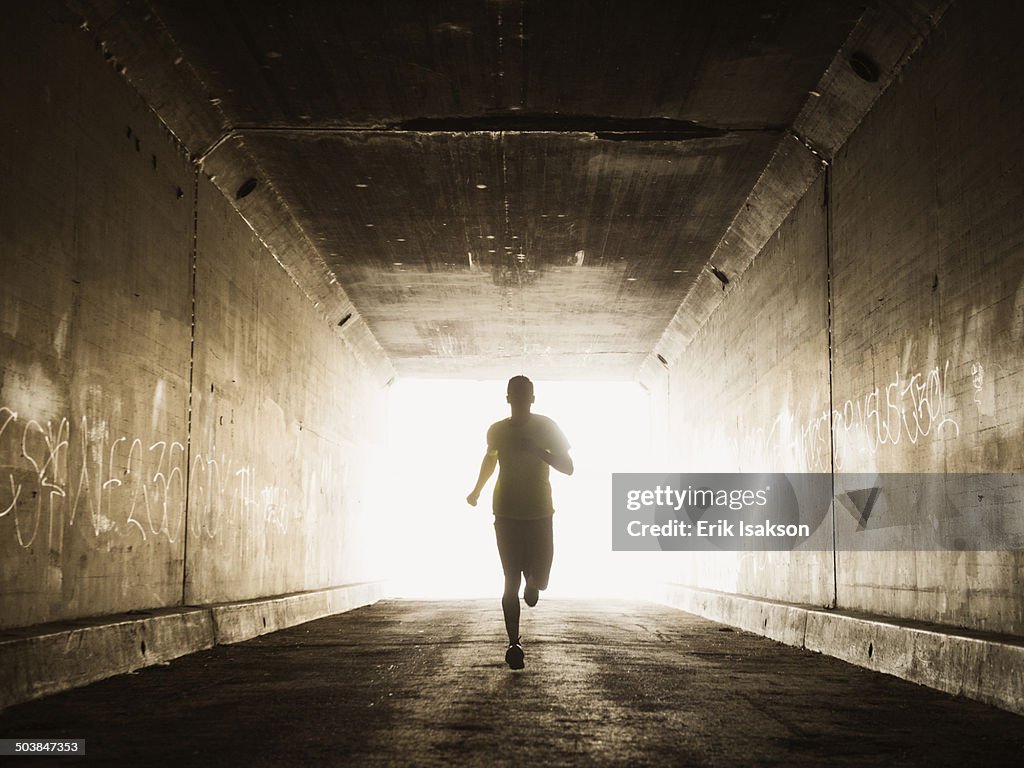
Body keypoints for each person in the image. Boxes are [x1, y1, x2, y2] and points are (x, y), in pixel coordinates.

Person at [466, 375, 573, 670]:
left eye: (526, 395)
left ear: (533, 399)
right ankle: (514, 643)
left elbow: (569, 468)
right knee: (509, 579)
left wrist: (538, 451)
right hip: (506, 514)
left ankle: (535, 583)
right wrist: (476, 490)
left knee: (542, 581)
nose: (521, 400)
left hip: (540, 514)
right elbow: (490, 459)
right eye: (516, 395)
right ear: (508, 398)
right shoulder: (496, 431)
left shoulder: (547, 426)